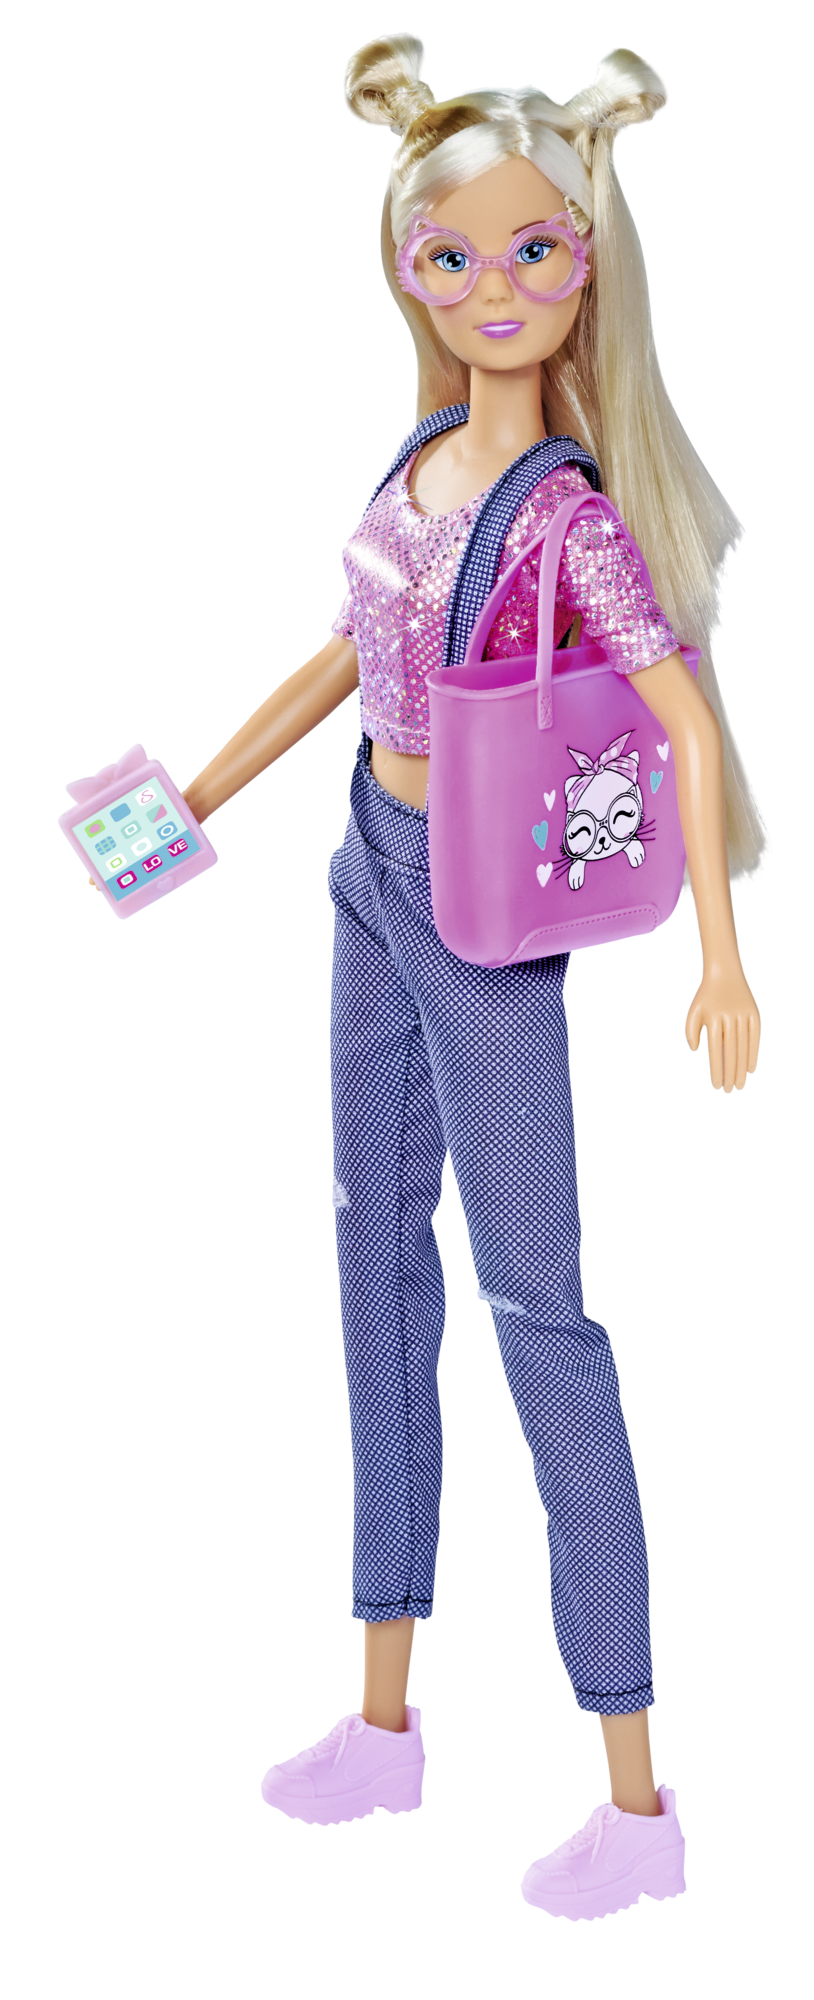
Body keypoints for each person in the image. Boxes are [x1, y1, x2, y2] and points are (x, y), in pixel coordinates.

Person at [181, 38, 762, 1920]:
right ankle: (383, 1720)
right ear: (403, 266)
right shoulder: (419, 460)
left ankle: (636, 1801)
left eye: (532, 253)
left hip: (483, 910)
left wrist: (722, 954)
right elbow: (348, 652)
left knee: (539, 1311)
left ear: (588, 263)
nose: (492, 288)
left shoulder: (570, 515)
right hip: (365, 858)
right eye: (451, 257)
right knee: (372, 1260)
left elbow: (681, 718)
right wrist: (195, 795)